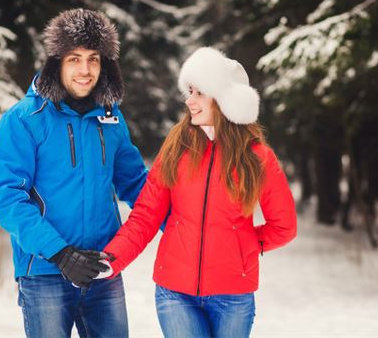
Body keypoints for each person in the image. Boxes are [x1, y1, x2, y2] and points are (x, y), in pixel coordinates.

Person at [103, 47, 297, 337]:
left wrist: (243, 244)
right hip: (175, 292)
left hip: (233, 295)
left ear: (225, 99)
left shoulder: (258, 157)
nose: (189, 101)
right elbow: (145, 215)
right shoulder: (177, 147)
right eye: (189, 92)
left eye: (199, 93)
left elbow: (284, 226)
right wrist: (110, 259)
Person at [0, 8, 148, 338]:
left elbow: (137, 185)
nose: (85, 70)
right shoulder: (23, 119)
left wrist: (184, 218)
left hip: (102, 270)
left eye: (94, 58)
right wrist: (60, 254)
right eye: (74, 59)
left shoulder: (111, 119)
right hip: (45, 272)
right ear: (57, 62)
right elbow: (8, 198)